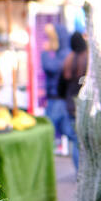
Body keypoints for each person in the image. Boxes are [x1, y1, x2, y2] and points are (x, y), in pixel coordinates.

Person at [58, 31, 89, 170]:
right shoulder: (87, 60)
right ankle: (85, 172)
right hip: (84, 104)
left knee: (77, 140)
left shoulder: (68, 60)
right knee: (84, 140)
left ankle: (79, 172)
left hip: (71, 104)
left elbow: (61, 85)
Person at [41, 24, 69, 152]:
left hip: (58, 98)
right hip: (57, 97)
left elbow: (51, 68)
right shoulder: (62, 53)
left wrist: (45, 53)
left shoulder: (64, 54)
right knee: (65, 130)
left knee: (49, 130)